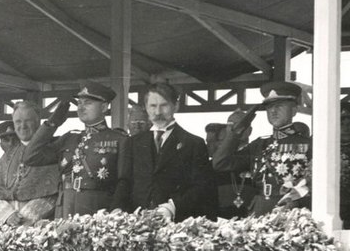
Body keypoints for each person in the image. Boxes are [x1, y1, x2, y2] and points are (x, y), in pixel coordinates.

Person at [23, 82, 132, 218]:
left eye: (87, 103)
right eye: (79, 103)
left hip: (97, 211)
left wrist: (114, 212)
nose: (81, 107)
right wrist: (52, 123)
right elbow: (31, 156)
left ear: (104, 107)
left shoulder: (119, 140)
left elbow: (124, 181)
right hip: (65, 209)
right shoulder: (69, 138)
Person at [213, 81, 311, 216]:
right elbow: (220, 163)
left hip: (291, 211)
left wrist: (298, 202)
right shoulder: (259, 144)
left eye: (280, 106)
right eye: (269, 107)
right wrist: (236, 132)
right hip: (260, 210)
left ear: (293, 110)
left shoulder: (308, 144)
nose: (273, 111)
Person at [130, 83, 216, 221]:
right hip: (137, 220)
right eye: (153, 106)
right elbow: (125, 182)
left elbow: (202, 186)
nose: (158, 112)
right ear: (146, 107)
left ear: (175, 106)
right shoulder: (133, 143)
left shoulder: (193, 143)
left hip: (177, 222)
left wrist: (172, 207)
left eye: (164, 105)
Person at [0, 101, 59, 225]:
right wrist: (8, 214)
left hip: (39, 224)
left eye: (28, 121)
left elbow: (53, 192)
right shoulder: (7, 155)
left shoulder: (51, 150)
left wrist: (26, 217)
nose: (22, 126)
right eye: (18, 122)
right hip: (8, 224)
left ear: (38, 122)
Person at [214, 110, 256, 219]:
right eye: (232, 126)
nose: (237, 128)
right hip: (222, 217)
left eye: (242, 125)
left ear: (250, 130)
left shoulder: (256, 152)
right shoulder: (218, 158)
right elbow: (219, 163)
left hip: (251, 215)